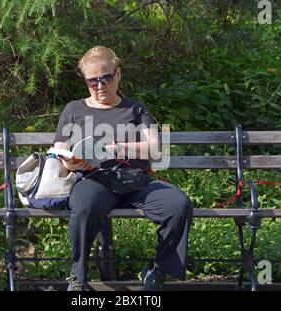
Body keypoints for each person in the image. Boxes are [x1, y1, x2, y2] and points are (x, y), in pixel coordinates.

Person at [53, 46, 193, 291]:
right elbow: (59, 148)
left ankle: (157, 271)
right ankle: (78, 277)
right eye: (92, 81)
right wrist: (68, 161)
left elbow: (156, 149)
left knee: (179, 205)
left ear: (117, 75)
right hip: (94, 181)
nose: (100, 86)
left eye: (105, 78)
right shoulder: (73, 110)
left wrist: (118, 148)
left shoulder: (135, 109)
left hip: (135, 182)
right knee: (84, 206)